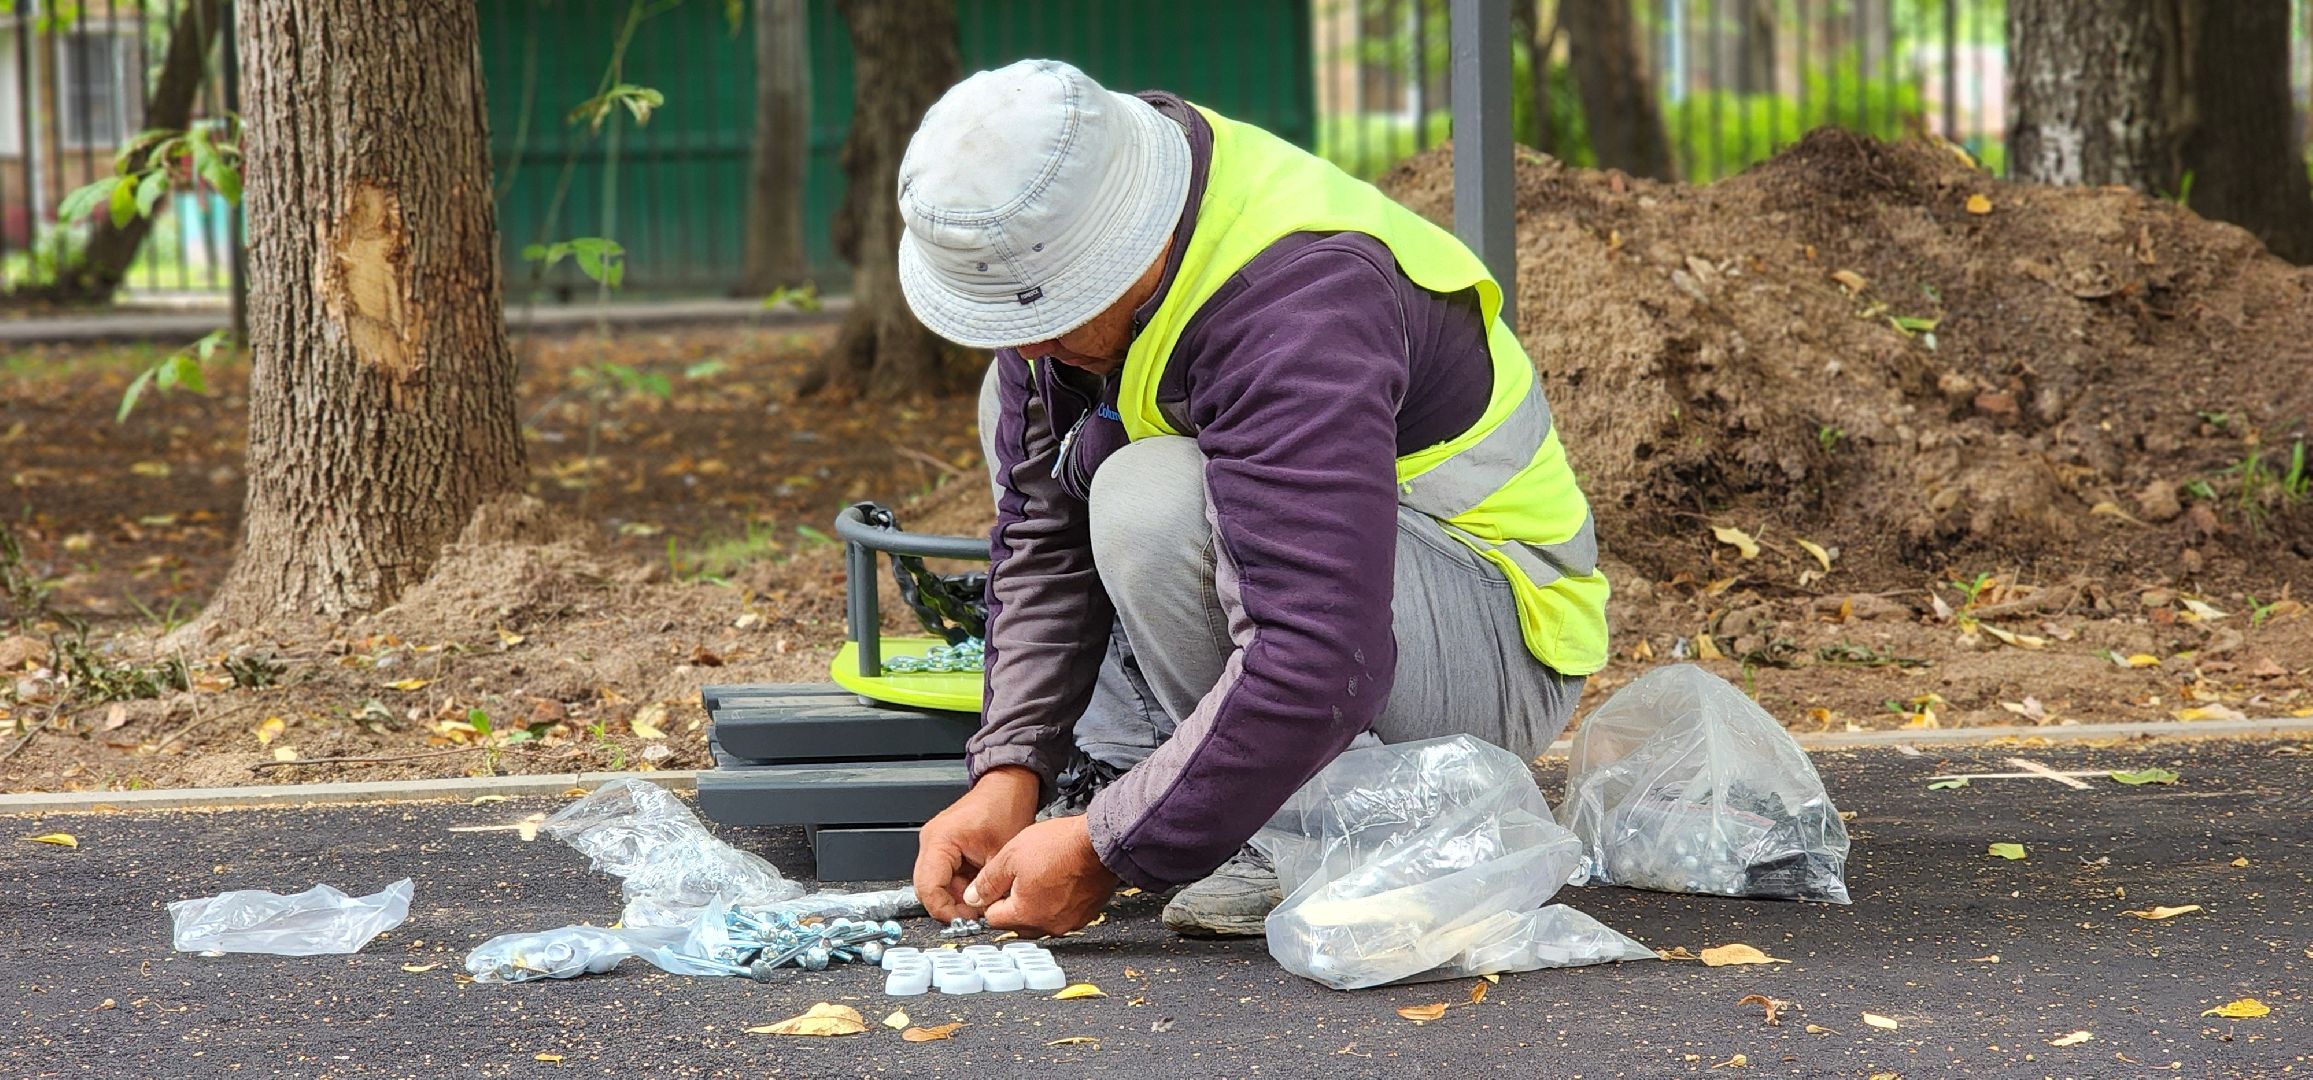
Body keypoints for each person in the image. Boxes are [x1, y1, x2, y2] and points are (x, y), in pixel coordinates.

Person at [898, 59, 1609, 939]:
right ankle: (1175, 786)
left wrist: (1108, 851)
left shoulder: (1298, 305)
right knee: (1035, 421)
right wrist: (1008, 774)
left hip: (1488, 641)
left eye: (1051, 309)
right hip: (1354, 616)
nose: (1031, 339)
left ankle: (1307, 835)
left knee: (1146, 497)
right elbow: (1043, 539)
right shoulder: (1089, 211)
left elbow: (1318, 653)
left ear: (1134, 238)